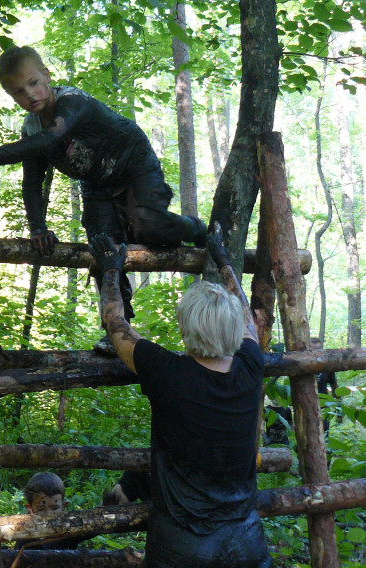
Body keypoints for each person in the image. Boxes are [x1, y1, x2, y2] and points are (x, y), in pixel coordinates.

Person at [0, 45, 205, 354]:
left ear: (48, 76)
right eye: (19, 92)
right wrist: (38, 229)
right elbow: (32, 183)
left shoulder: (73, 102)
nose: (31, 94)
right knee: (103, 247)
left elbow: (52, 137)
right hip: (96, 184)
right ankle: (117, 329)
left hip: (133, 163)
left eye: (34, 83)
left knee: (150, 225)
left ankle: (197, 230)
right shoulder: (31, 129)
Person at [88, 224, 270, 567]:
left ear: (186, 328)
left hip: (181, 547)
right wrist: (224, 262)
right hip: (247, 541)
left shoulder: (165, 370)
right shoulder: (250, 365)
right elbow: (247, 317)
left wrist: (111, 268)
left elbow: (116, 323)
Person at [15, 472, 85, 551]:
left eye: (54, 508)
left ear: (63, 506)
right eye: (41, 509)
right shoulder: (25, 538)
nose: (49, 515)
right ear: (30, 509)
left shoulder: (70, 532)